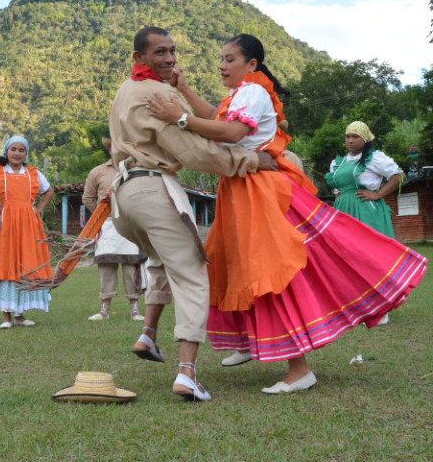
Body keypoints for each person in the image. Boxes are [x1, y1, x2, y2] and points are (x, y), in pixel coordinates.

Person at [148, 34, 427, 394]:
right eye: (221, 58)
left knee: (272, 271)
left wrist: (181, 118)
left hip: (259, 192)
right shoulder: (241, 93)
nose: (221, 65)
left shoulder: (253, 91)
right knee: (239, 267)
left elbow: (231, 131)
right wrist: (184, 91)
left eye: (229, 59)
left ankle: (299, 369)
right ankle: (250, 343)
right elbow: (216, 119)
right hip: (242, 190)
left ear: (251, 64)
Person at [109, 26, 276, 402]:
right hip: (152, 189)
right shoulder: (158, 94)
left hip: (124, 196)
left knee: (160, 260)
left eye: (172, 51)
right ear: (139, 58)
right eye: (160, 52)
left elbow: (213, 119)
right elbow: (195, 152)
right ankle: (187, 373)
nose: (169, 58)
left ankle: (148, 334)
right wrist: (251, 160)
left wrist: (183, 94)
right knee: (193, 275)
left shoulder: (126, 89)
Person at [0, 135, 54, 328]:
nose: (17, 153)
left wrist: (38, 209)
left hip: (29, 226)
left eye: (21, 150)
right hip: (5, 225)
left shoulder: (33, 174)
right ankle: (6, 316)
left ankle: (20, 315)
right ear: (6, 152)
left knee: (26, 265)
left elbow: (48, 191)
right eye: (13, 149)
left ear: (26, 154)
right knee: (7, 265)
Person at [82, 135, 146, 323]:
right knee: (106, 268)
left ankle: (135, 309)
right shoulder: (98, 172)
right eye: (115, 146)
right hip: (107, 225)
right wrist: (101, 215)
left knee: (131, 268)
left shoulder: (138, 171)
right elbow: (88, 198)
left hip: (130, 224)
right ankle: (104, 310)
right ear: (109, 149)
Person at [325, 122, 403, 237]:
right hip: (342, 211)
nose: (350, 141)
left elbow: (399, 176)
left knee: (369, 243)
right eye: (347, 137)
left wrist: (378, 194)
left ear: (365, 139)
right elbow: (338, 192)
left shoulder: (374, 158)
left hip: (365, 210)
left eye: (355, 137)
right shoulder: (337, 163)